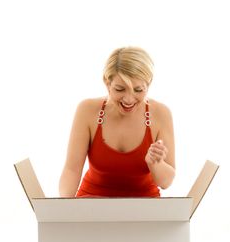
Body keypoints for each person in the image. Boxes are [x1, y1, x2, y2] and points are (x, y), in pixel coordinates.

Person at [59, 46, 175, 198]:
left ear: (149, 84)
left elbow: (165, 182)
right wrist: (63, 210)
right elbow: (71, 170)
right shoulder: (87, 110)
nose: (128, 99)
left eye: (138, 90)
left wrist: (156, 163)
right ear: (107, 83)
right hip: (92, 202)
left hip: (145, 209)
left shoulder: (161, 113)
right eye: (120, 89)